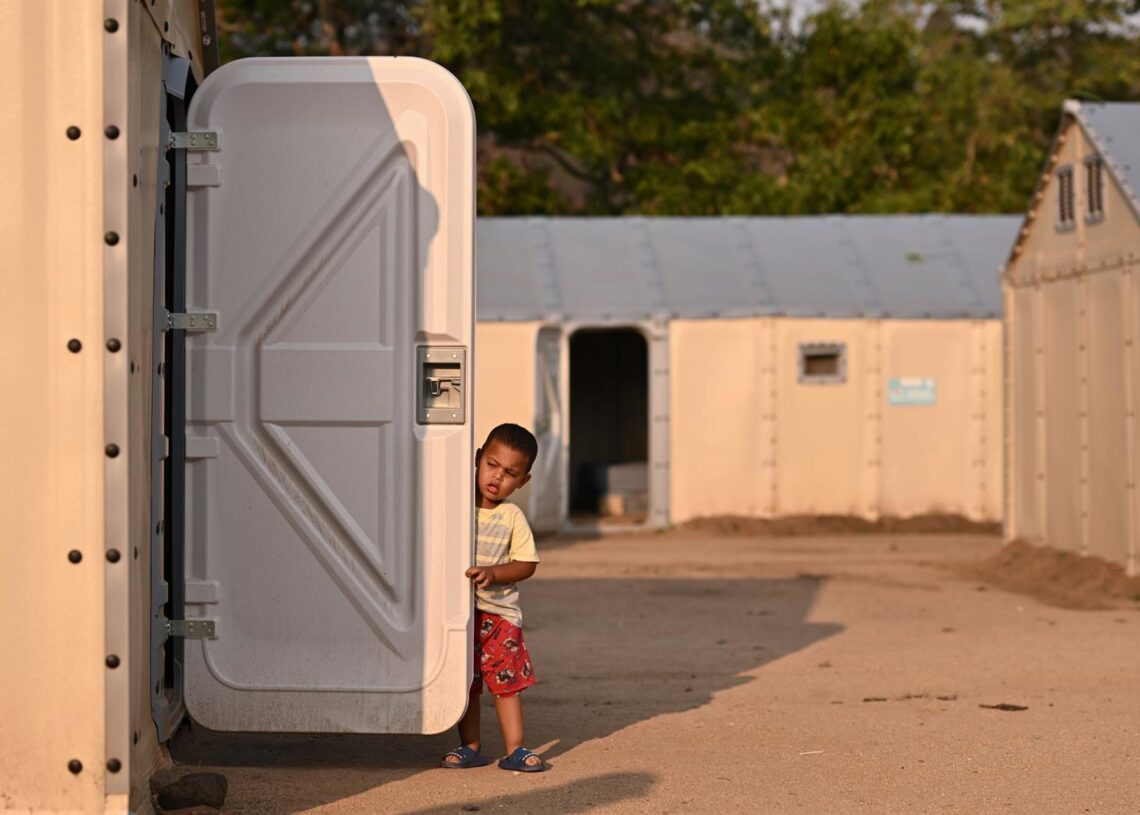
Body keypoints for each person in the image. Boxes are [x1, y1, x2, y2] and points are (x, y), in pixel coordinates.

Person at [442, 423, 548, 772]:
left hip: (499, 619)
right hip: (460, 615)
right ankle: (469, 746)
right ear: (476, 459)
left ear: (523, 481)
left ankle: (515, 749)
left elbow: (527, 564)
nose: (496, 477)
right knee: (466, 684)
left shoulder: (511, 517)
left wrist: (493, 573)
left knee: (506, 686)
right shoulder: (455, 507)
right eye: (491, 465)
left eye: (509, 473)